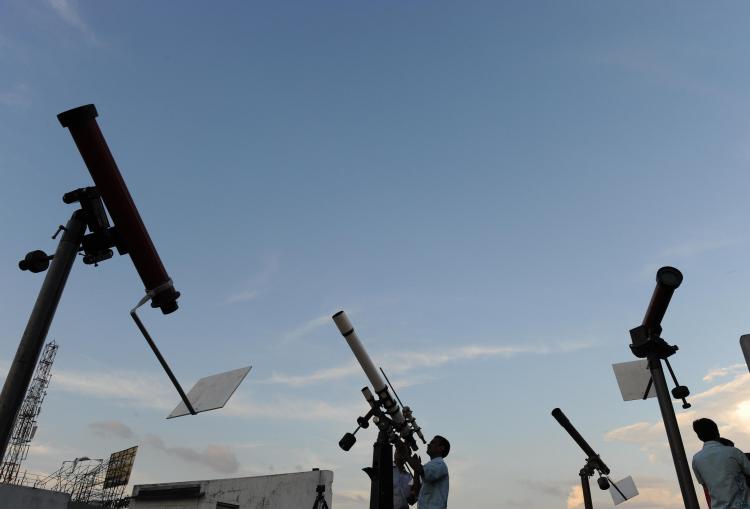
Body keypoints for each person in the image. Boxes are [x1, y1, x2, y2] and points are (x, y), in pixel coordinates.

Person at [692, 418, 750, 509]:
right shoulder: (733, 452)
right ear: (717, 432)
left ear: (699, 437)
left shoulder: (696, 460)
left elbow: (705, 487)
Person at [406, 435, 450, 509]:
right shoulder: (430, 466)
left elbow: (421, 471)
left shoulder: (440, 465)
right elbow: (417, 493)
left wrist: (404, 453)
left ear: (441, 448)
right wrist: (416, 470)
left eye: (433, 443)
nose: (428, 444)